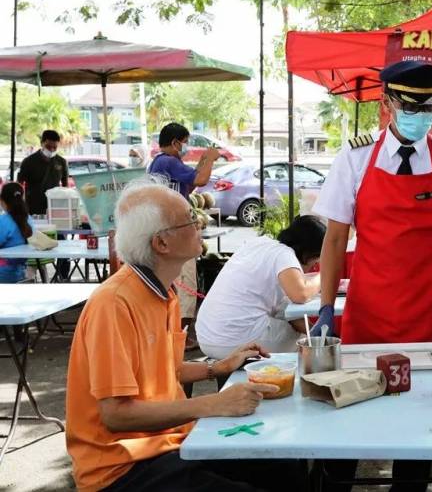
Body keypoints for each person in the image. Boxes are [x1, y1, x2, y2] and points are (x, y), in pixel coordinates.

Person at [311, 60, 432, 491]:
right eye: (412, 107)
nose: (420, 116)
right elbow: (334, 241)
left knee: (420, 427)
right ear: (388, 103)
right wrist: (325, 306)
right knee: (349, 421)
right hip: (367, 314)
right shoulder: (353, 160)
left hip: (430, 316)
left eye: (429, 108)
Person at [65, 180, 306, 492]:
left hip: (170, 443)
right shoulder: (115, 303)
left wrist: (216, 368)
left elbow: (165, 369)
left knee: (283, 462)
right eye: (190, 219)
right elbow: (116, 414)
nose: (200, 223)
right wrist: (216, 403)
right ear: (161, 244)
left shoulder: (163, 290)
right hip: (122, 469)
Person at [197, 215, 326, 357]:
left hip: (207, 337)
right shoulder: (284, 255)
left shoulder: (258, 244)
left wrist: (319, 333)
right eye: (316, 261)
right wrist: (325, 275)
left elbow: (290, 315)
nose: (314, 266)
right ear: (309, 253)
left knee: (304, 335)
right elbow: (301, 294)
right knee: (306, 346)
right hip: (235, 340)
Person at [148, 123, 220, 348]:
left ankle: (176, 331)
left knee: (175, 282)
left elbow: (191, 180)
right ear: (175, 142)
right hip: (175, 231)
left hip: (167, 229)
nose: (186, 146)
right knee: (185, 280)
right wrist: (210, 159)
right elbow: (200, 180)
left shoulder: (162, 163)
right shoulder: (168, 161)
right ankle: (183, 334)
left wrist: (203, 163)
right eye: (185, 142)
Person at [17, 129, 70, 280]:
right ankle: (31, 277)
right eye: (49, 147)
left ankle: (63, 277)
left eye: (55, 147)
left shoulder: (61, 162)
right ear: (42, 144)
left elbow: (65, 188)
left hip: (57, 212)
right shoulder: (29, 162)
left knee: (62, 245)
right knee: (34, 245)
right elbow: (19, 184)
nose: (51, 150)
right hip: (34, 211)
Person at [0, 182, 33, 283]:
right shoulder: (28, 220)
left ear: (2, 201)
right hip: (21, 272)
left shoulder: (3, 221)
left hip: (4, 273)